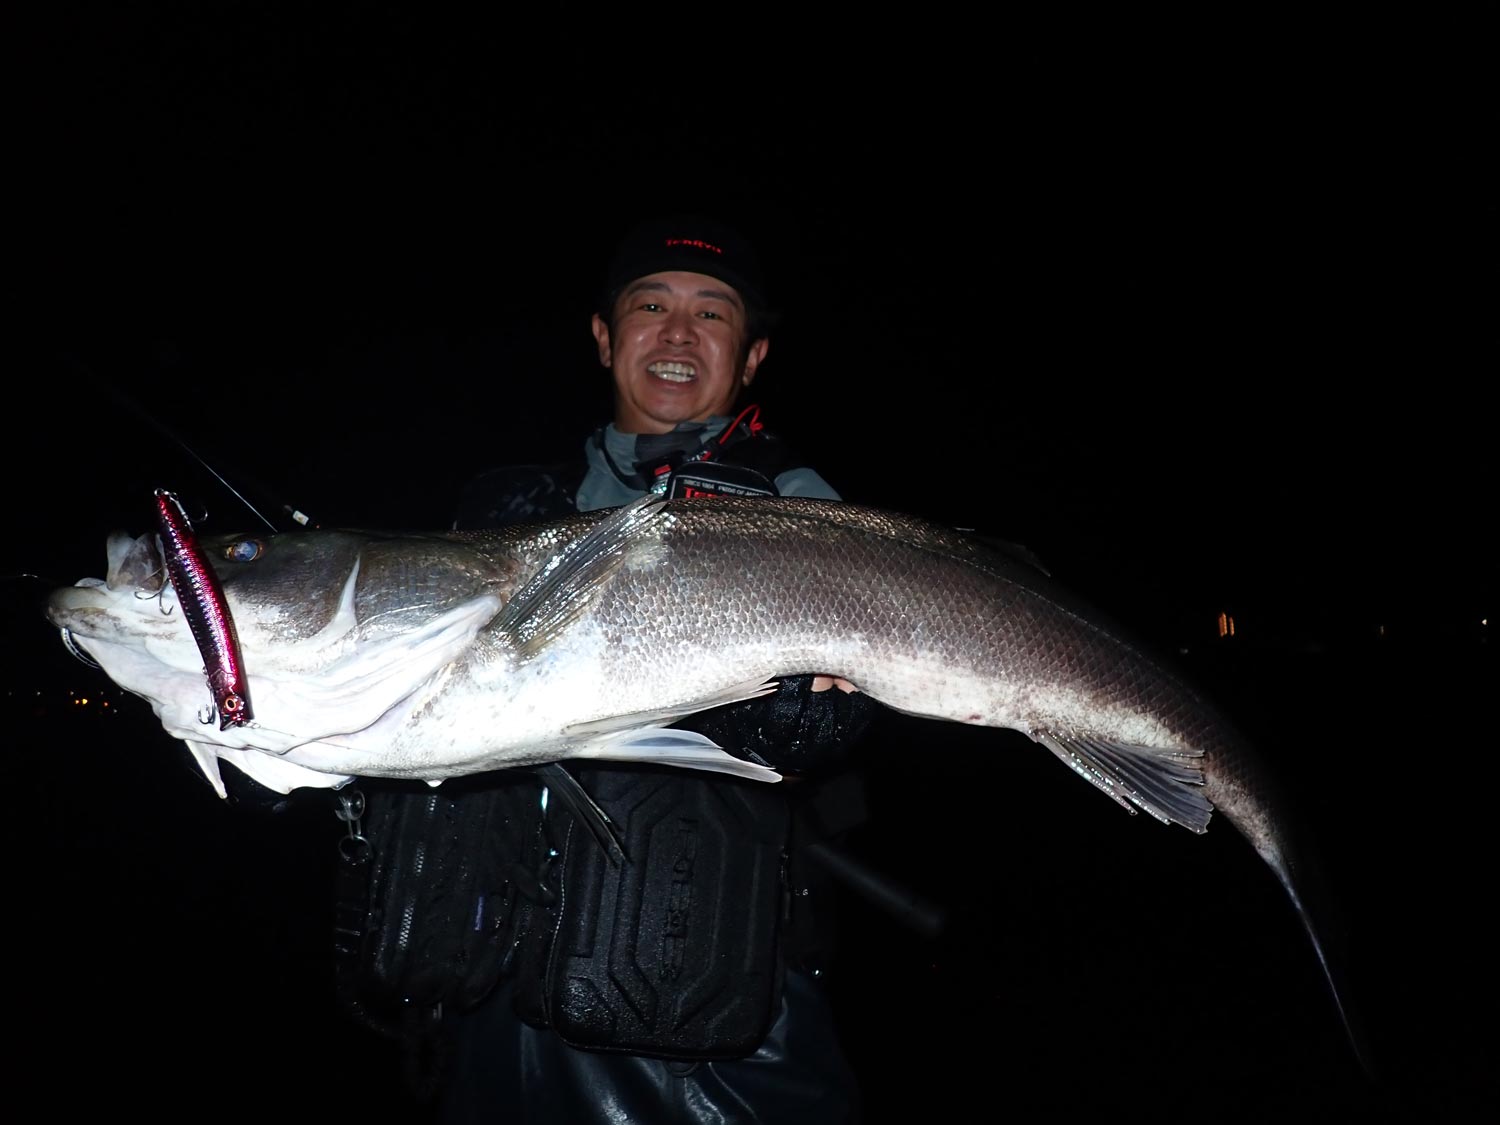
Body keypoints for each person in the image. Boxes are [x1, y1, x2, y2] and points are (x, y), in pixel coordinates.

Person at [340, 215, 883, 1124]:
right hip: (486, 996)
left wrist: (818, 719)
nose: (677, 332)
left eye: (712, 313)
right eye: (651, 304)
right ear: (603, 337)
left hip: (709, 1013)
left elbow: (854, 714)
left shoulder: (802, 510)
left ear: (750, 357)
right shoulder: (507, 510)